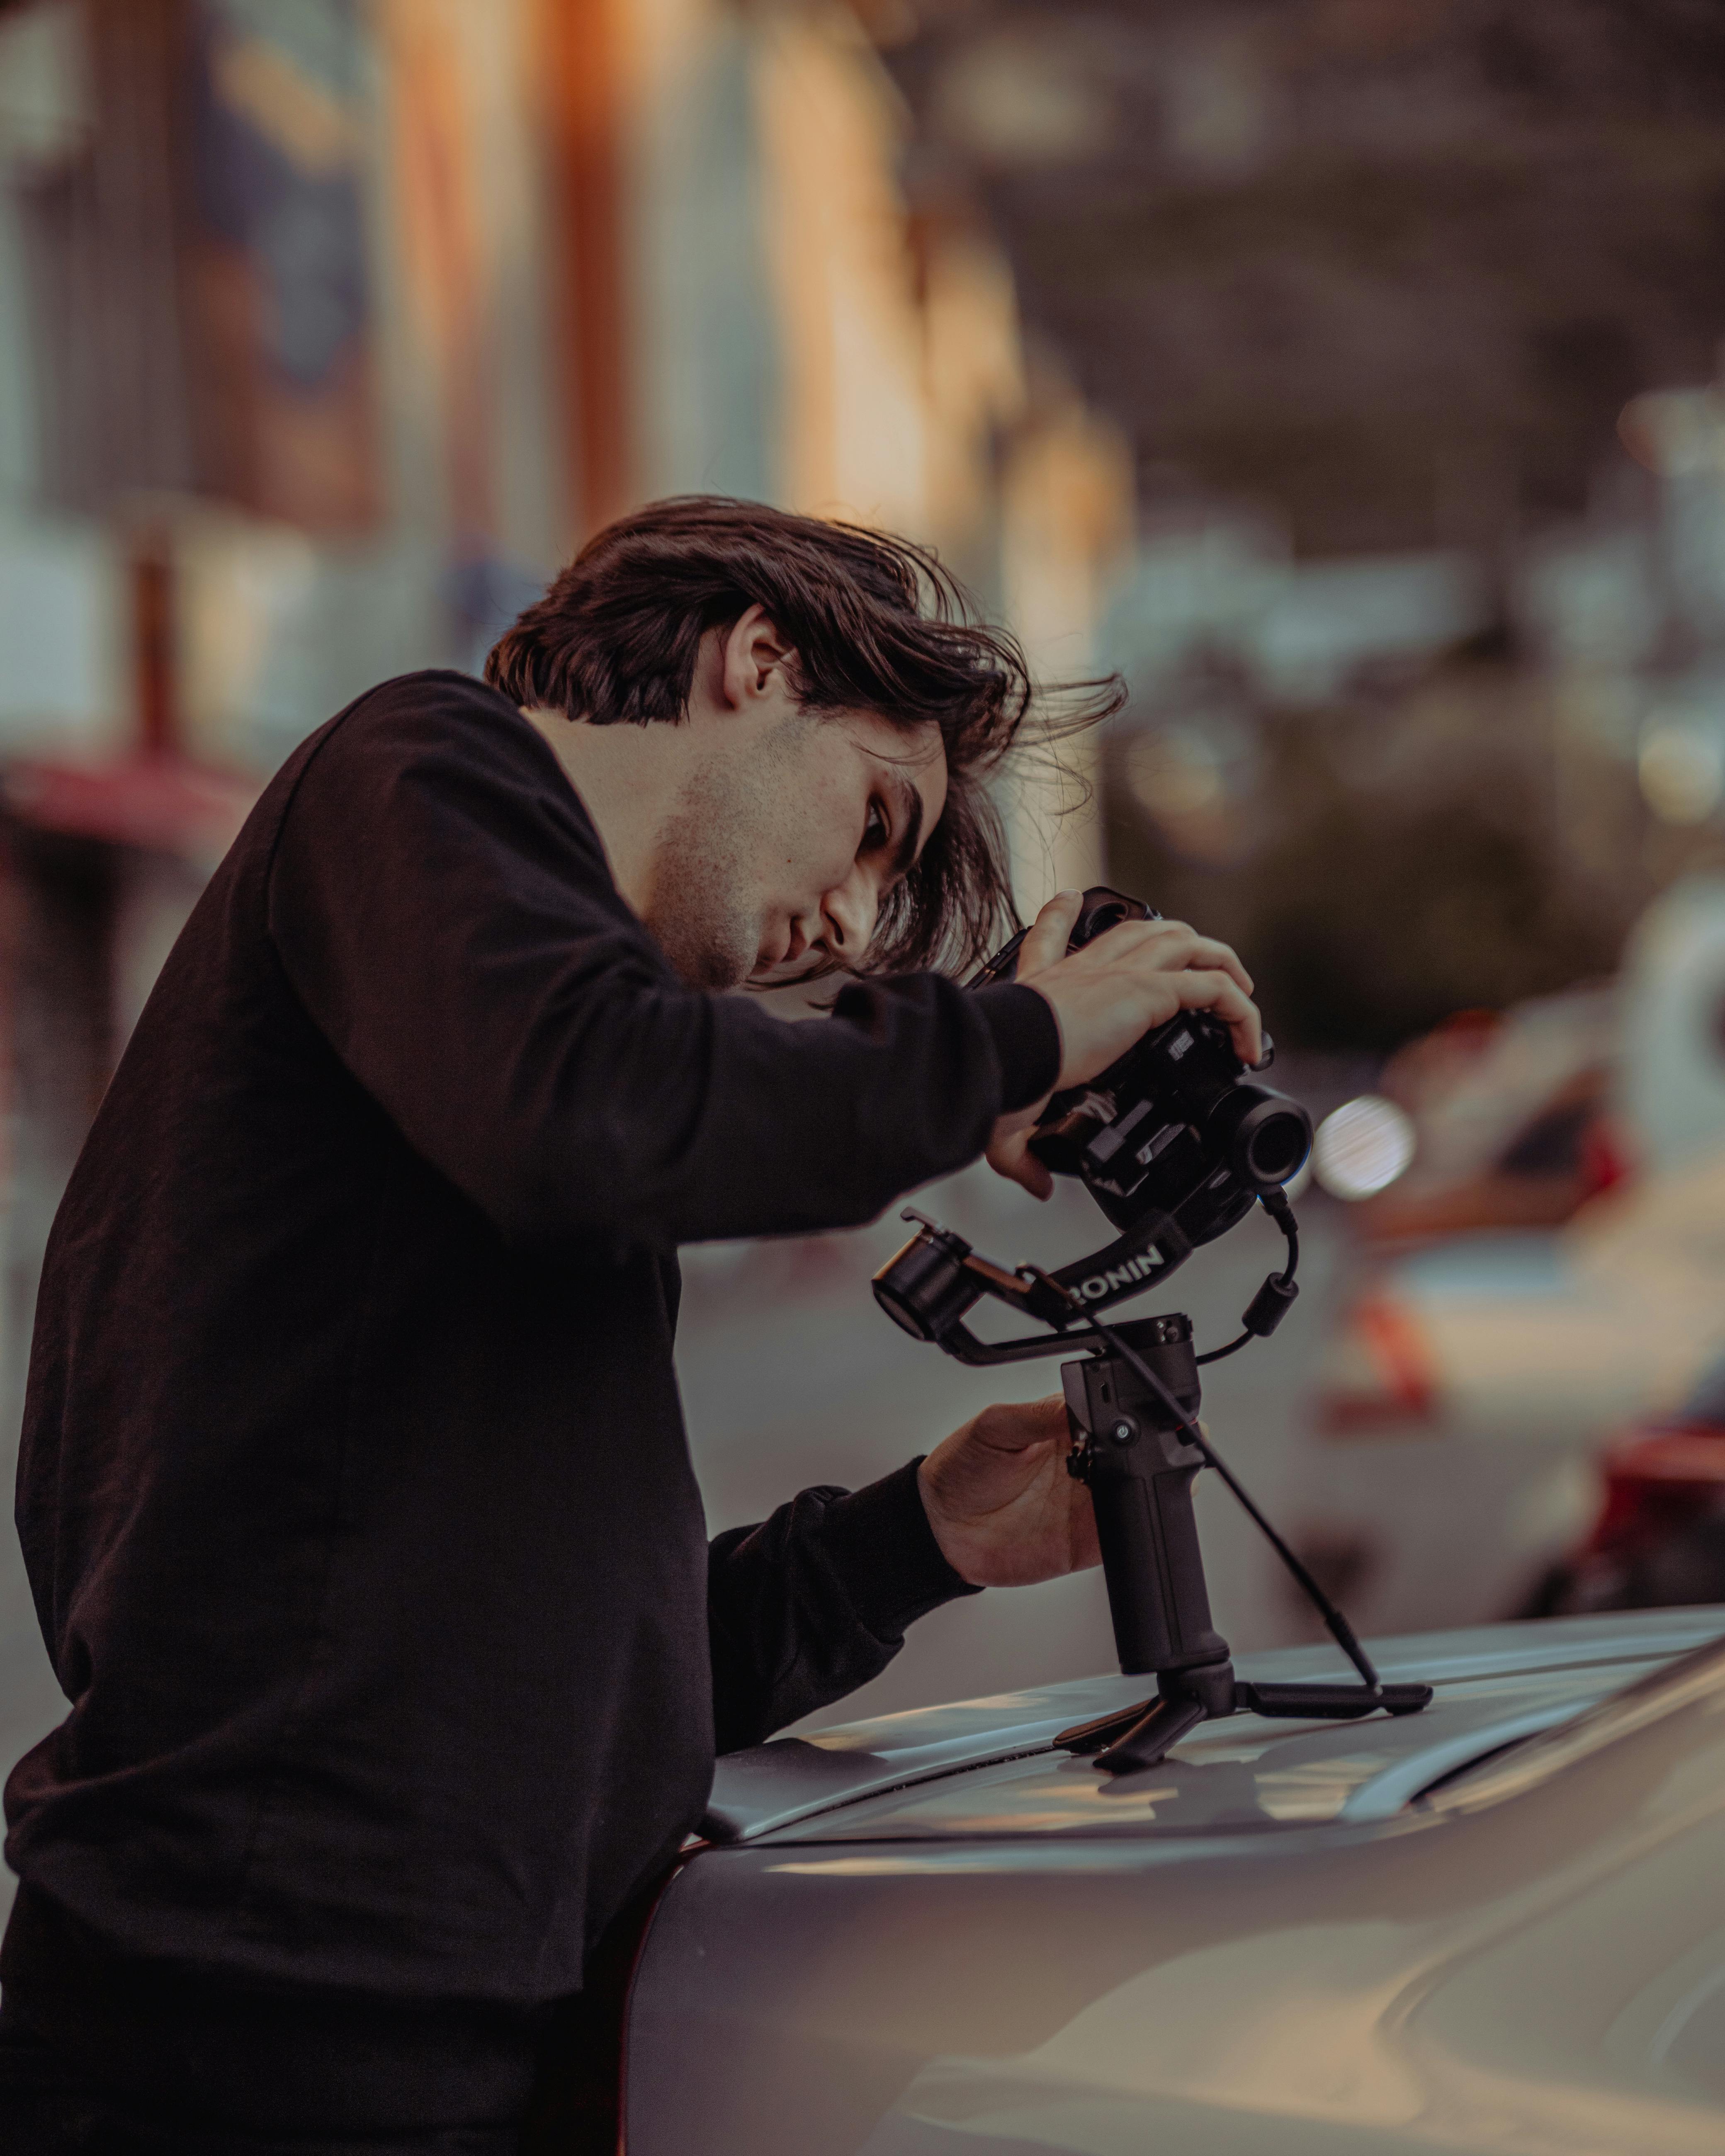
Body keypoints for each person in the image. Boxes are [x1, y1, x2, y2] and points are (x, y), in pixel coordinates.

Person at [0, 498, 1261, 2154]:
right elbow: (599, 1113)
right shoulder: (419, 765)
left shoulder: (529, 1073)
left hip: (412, 2028)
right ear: (755, 660)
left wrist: (916, 1541)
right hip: (245, 2043)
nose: (845, 920)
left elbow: (565, 1690)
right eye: (874, 823)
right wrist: (1012, 1040)